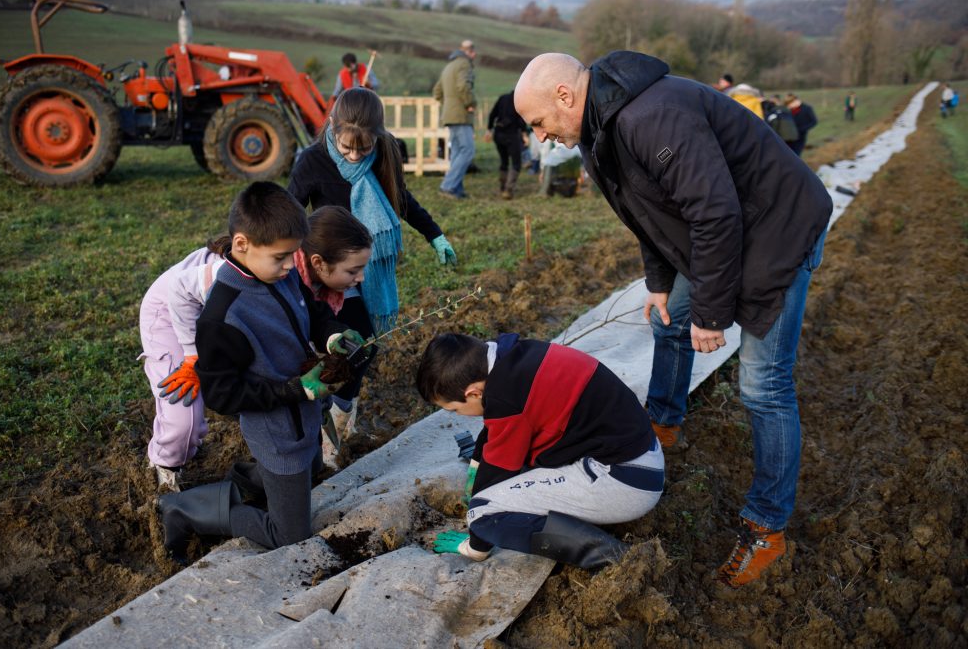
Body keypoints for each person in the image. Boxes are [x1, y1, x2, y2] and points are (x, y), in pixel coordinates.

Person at [514, 51, 832, 587]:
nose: (541, 137)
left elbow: (713, 213)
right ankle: (663, 424)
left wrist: (709, 314)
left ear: (565, 96)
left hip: (778, 229)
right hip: (732, 231)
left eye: (539, 122)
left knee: (763, 387)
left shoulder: (650, 116)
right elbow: (649, 215)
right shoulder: (598, 133)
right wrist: (660, 282)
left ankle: (766, 529)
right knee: (666, 318)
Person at [157, 182, 363, 563]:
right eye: (282, 258)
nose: (290, 266)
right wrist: (295, 390)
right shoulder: (223, 316)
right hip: (277, 431)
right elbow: (222, 395)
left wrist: (332, 335)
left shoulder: (280, 275)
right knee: (290, 534)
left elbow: (312, 312)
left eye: (293, 255)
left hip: (302, 416)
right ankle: (183, 510)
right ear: (242, 245)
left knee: (314, 464)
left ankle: (242, 480)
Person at [287, 87, 458, 435]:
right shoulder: (312, 160)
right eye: (347, 146)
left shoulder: (385, 152)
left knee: (364, 348)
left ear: (376, 136)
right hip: (332, 270)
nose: (353, 155)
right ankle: (320, 419)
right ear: (333, 127)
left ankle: (341, 415)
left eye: (362, 148)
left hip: (370, 266)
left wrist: (433, 234)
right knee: (347, 345)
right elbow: (290, 213)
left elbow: (400, 197)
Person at [417, 332, 663, 569]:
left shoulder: (507, 401)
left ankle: (614, 558)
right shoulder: (513, 357)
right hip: (638, 454)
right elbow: (494, 428)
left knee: (482, 513)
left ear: (473, 393)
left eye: (454, 410)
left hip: (626, 482)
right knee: (518, 469)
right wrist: (476, 464)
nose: (458, 415)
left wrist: (476, 545)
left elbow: (496, 470)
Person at [138, 240, 227, 491]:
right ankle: (165, 471)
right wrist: (192, 356)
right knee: (184, 418)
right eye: (349, 272)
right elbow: (180, 290)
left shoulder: (292, 274)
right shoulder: (225, 272)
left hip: (210, 315)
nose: (350, 282)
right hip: (169, 312)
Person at [293, 206, 373, 469]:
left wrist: (333, 337)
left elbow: (318, 317)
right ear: (318, 263)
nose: (360, 278)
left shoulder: (312, 281)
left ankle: (332, 435)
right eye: (352, 271)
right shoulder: (287, 280)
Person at [433, 39, 478, 199]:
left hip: (449, 115)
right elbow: (463, 87)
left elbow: (437, 92)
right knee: (468, 150)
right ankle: (448, 186)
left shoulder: (449, 66)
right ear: (469, 52)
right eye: (473, 52)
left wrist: (449, 105)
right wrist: (470, 103)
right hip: (461, 115)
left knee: (458, 152)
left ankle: (456, 188)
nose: (475, 55)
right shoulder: (464, 64)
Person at [486, 90, 528, 199]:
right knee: (516, 163)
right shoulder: (519, 101)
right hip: (512, 135)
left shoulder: (502, 98)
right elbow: (521, 120)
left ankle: (502, 187)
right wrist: (524, 133)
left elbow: (492, 114)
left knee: (504, 161)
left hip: (498, 134)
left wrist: (489, 129)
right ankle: (508, 190)